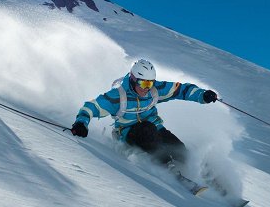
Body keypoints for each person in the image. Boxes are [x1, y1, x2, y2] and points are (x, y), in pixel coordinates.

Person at [71, 59, 218, 166]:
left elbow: (180, 90)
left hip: (155, 129)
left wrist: (202, 95)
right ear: (134, 80)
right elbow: (91, 107)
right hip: (128, 134)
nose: (147, 88)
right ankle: (168, 166)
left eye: (150, 83)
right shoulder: (118, 96)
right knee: (148, 133)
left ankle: (202, 175)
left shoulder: (154, 91)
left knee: (179, 149)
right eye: (143, 83)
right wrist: (81, 123)